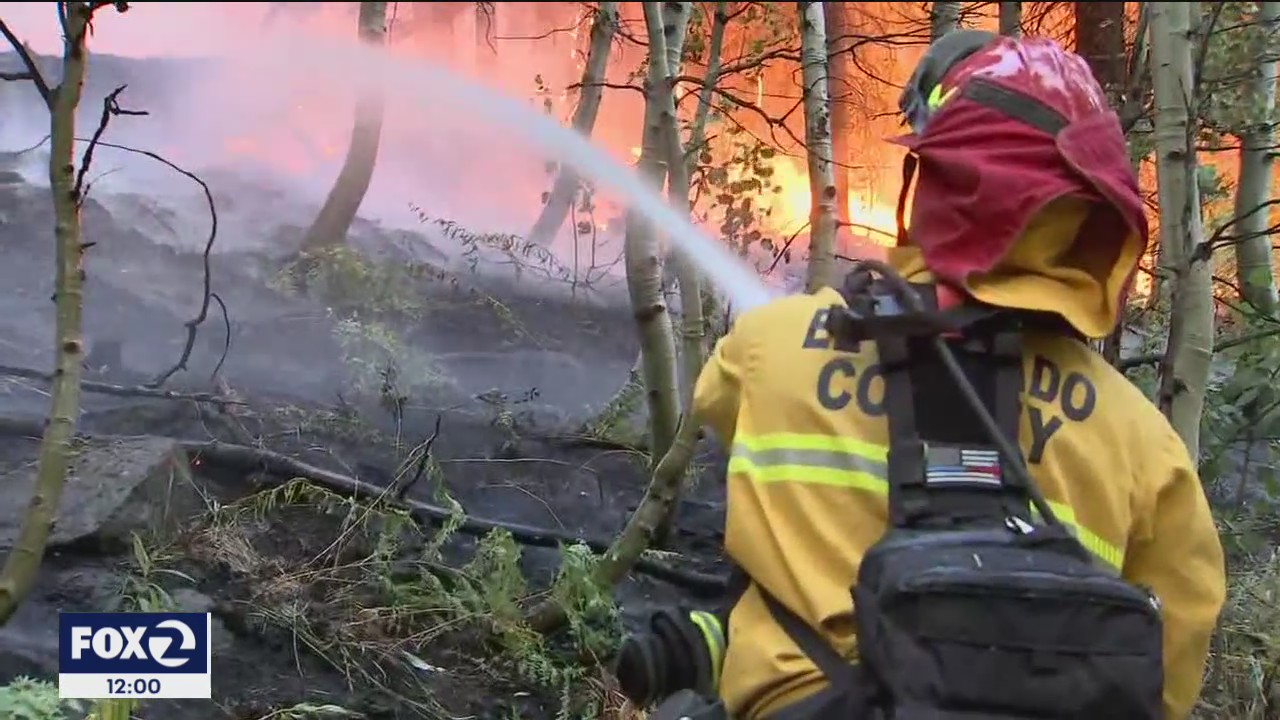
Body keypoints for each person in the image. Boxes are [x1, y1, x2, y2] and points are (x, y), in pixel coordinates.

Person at [614, 30, 1226, 720]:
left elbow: (720, 404)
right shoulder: (1143, 445)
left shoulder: (772, 347)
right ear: (1089, 222)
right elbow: (1168, 678)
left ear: (932, 181)